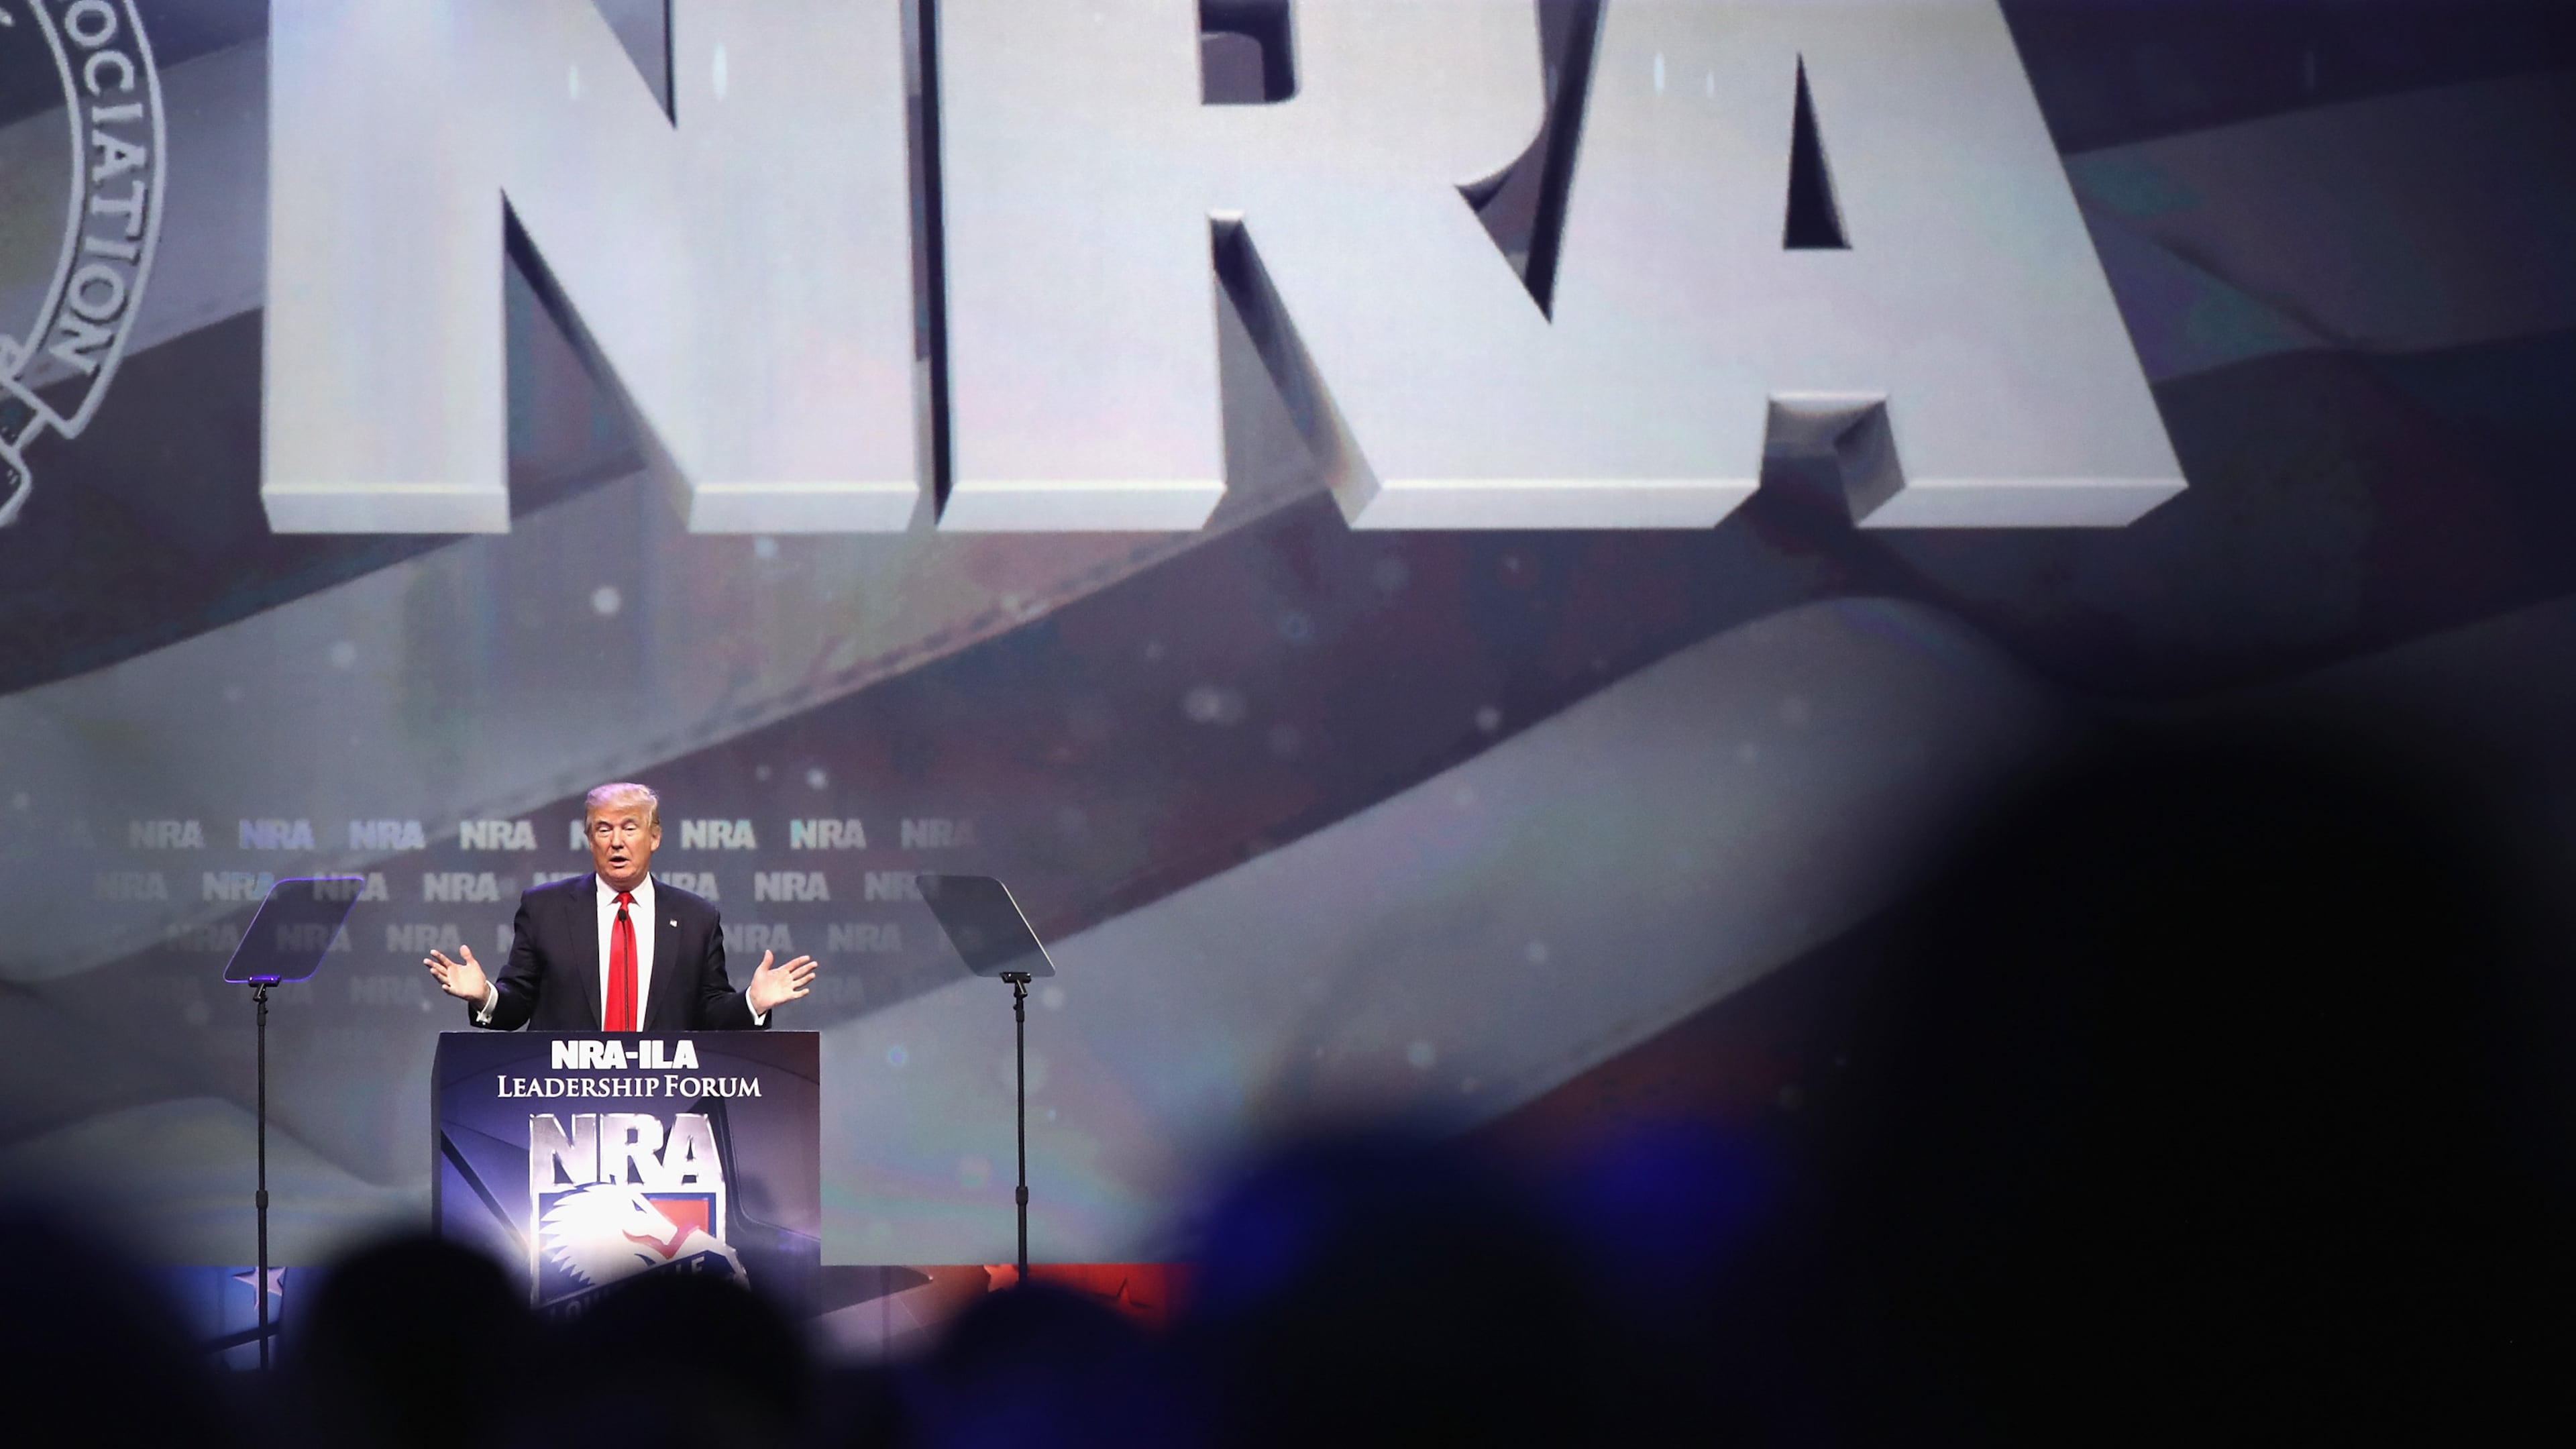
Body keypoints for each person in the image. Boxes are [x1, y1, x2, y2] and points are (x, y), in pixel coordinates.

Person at [423, 782, 814, 1030]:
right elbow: (518, 1004)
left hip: (663, 1100)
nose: (616, 842)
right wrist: (484, 996)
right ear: (589, 839)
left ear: (654, 837)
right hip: (565, 1096)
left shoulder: (696, 918)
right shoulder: (545, 909)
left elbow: (710, 1013)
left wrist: (752, 1003)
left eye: (629, 827)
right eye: (603, 829)